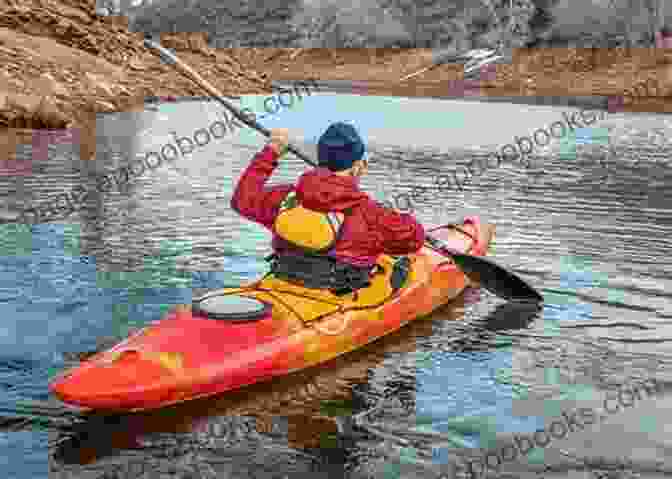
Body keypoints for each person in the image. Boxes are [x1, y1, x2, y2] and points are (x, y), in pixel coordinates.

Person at [231, 122, 425, 295]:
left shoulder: (285, 197)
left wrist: (271, 151)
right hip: (339, 293)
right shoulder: (370, 213)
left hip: (285, 279)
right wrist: (384, 213)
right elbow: (415, 238)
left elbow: (242, 200)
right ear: (358, 167)